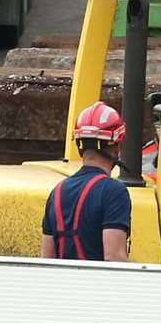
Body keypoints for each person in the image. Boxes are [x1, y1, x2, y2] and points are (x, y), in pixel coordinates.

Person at [42, 102, 133, 262]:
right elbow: (114, 257)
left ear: (79, 145)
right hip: (97, 285)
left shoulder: (57, 192)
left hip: (63, 285)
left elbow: (46, 259)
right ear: (115, 148)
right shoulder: (114, 192)